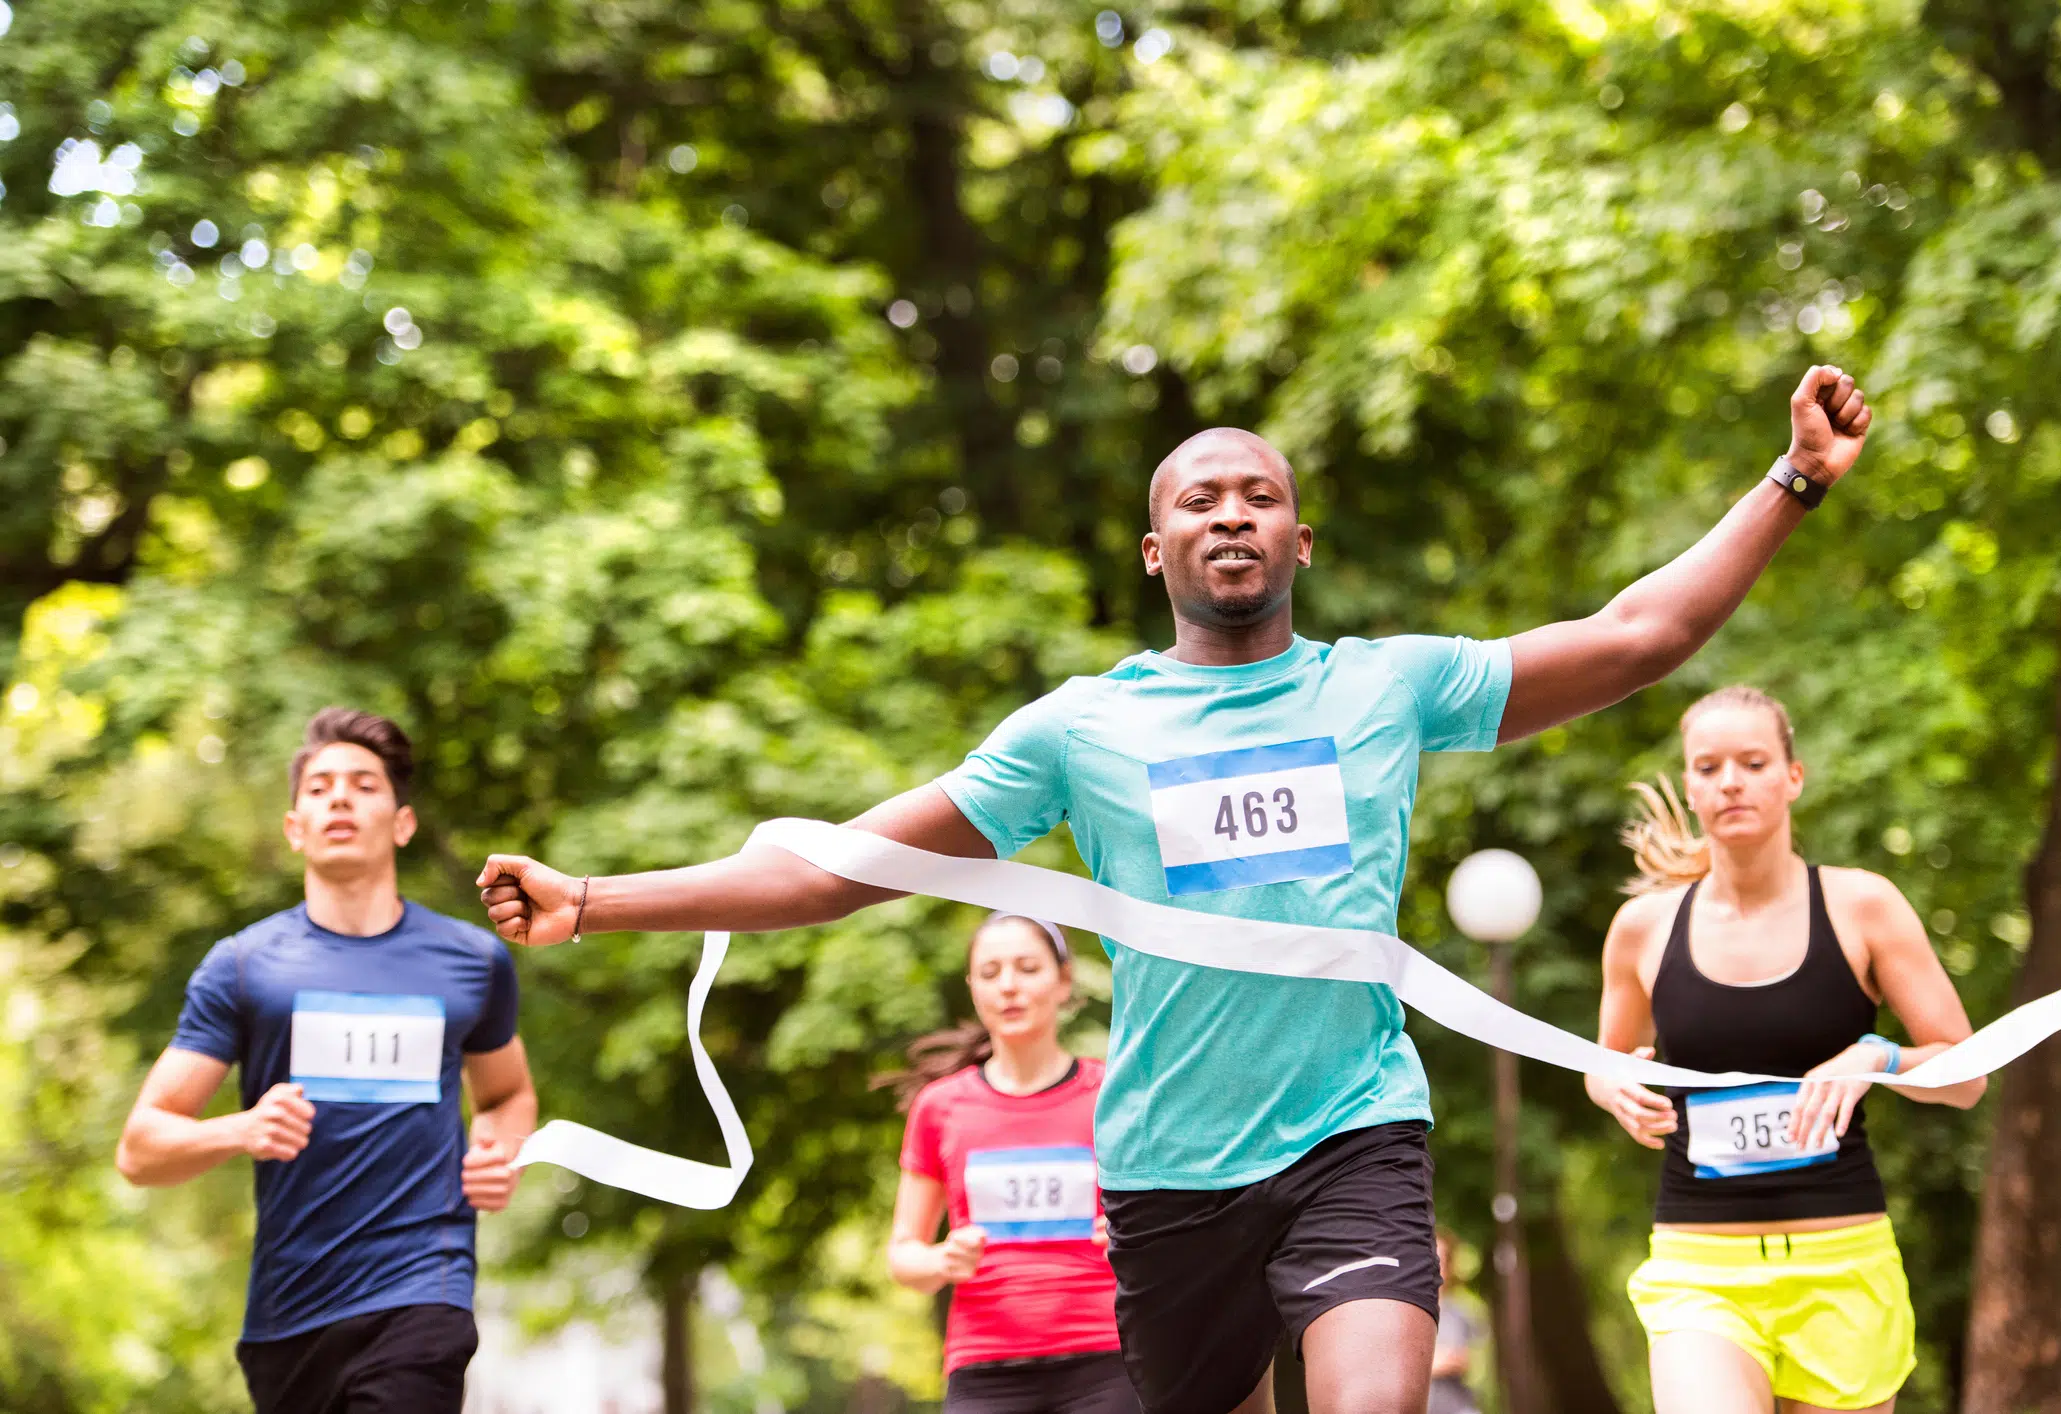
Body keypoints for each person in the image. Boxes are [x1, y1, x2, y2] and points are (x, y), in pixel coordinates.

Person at [479, 366, 1873, 1414]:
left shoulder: (1379, 685)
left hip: (1353, 1133)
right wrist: (596, 897)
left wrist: (1792, 480)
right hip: (1165, 1170)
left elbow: (1643, 633)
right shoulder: (1081, 729)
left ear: (1297, 539)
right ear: (1156, 552)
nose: (1228, 513)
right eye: (1196, 499)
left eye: (1256, 494)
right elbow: (834, 867)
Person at [117, 708, 537, 1414]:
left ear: (402, 822)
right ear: (294, 828)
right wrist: (240, 1130)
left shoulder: (471, 961)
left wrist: (502, 1153)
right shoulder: (243, 968)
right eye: (319, 788)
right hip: (291, 1313)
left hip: (421, 1288)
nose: (339, 797)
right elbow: (140, 1148)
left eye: (363, 784)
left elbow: (507, 1095)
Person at [1584, 686, 1988, 1413]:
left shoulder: (1862, 905)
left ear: (1792, 776)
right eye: (1707, 767)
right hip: (1700, 1271)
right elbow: (1608, 1063)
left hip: (1843, 1268)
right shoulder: (1641, 929)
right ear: (1688, 785)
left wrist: (1878, 1057)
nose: (1729, 781)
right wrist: (1609, 1087)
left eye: (1752, 761)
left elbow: (1966, 1079)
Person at [884, 911, 1136, 1414]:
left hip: (1108, 1360)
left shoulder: (1113, 1093)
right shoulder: (940, 1106)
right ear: (973, 988)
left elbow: (1176, 1218)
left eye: (1026, 968)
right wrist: (942, 1259)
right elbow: (903, 1255)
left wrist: (1135, 1231)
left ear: (1064, 982)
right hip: (983, 1367)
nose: (1009, 987)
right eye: (991, 972)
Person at [1426, 1231, 1483, 1414]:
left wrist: (1424, 1365)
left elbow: (1461, 1360)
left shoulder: (1459, 1314)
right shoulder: (1406, 1314)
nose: (1437, 1266)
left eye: (1442, 1260)